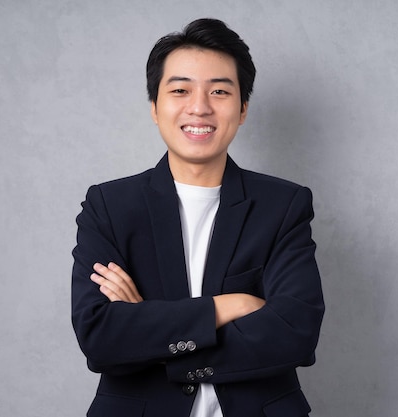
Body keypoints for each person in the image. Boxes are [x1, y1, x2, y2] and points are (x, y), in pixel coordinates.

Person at [71, 18, 325, 417]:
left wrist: (151, 336)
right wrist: (227, 307)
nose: (200, 107)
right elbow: (101, 337)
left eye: (220, 91)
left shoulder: (284, 205)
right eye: (180, 90)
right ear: (155, 107)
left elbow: (295, 333)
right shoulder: (109, 206)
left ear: (242, 109)